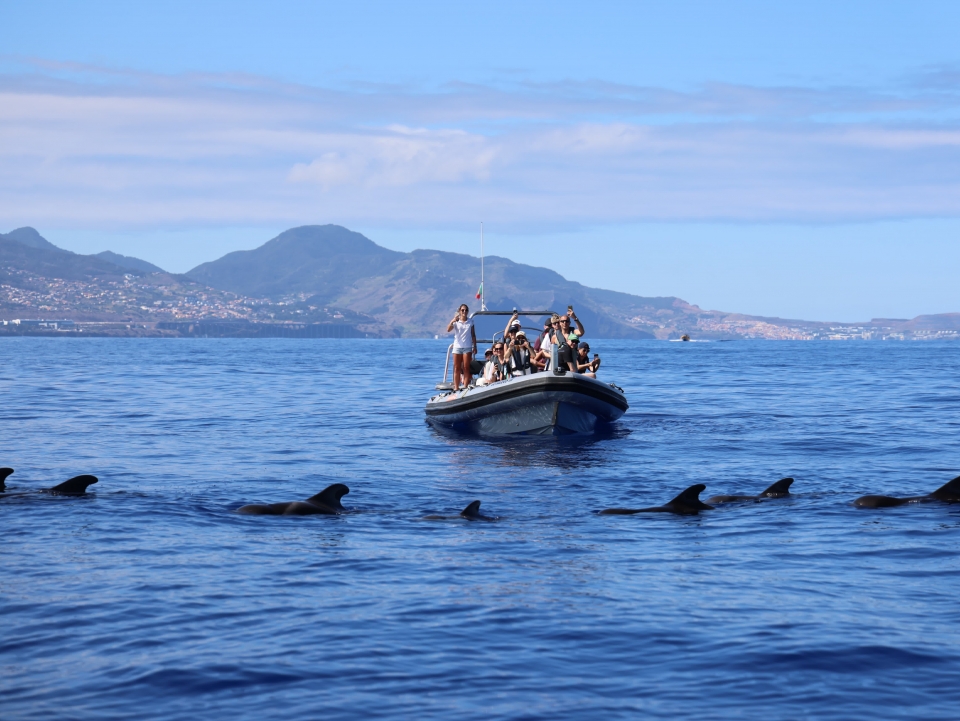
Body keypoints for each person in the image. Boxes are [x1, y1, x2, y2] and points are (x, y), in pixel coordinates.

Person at [446, 304, 477, 391]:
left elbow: (473, 335)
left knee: (466, 367)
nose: (464, 312)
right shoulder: (456, 322)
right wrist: (452, 321)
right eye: (462, 310)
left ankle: (465, 386)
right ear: (459, 311)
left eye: (466, 310)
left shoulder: (470, 322)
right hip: (457, 347)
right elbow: (448, 329)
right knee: (457, 367)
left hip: (467, 346)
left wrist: (475, 346)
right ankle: (456, 387)